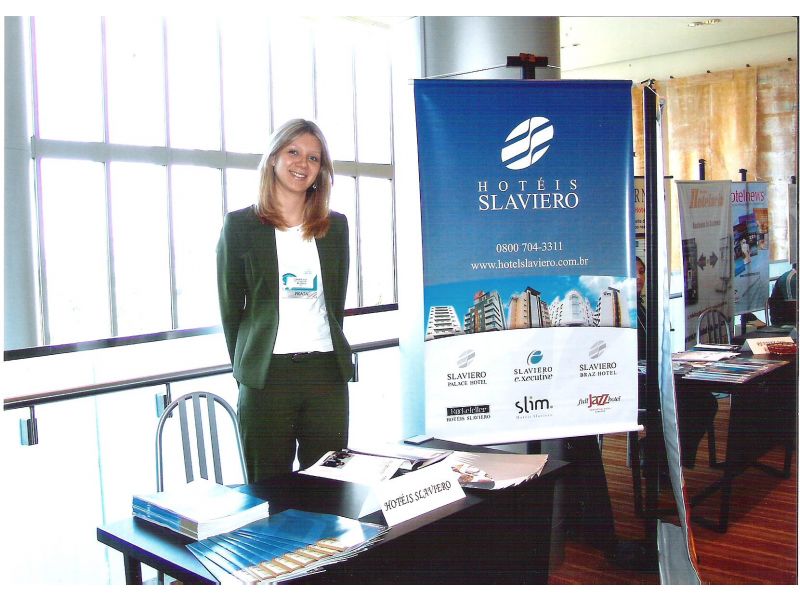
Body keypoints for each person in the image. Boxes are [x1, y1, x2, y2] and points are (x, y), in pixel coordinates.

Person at [217, 119, 353, 482]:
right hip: (267, 378)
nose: (302, 163)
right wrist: (247, 370)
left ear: (321, 170)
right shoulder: (240, 226)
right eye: (293, 152)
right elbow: (230, 310)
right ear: (274, 157)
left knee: (329, 487)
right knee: (268, 490)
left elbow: (335, 304)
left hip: (326, 374)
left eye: (313, 157)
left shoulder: (335, 227)